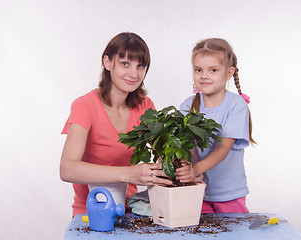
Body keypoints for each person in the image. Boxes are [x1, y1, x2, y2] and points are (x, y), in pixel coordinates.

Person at [60, 32, 176, 217]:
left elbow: (166, 152)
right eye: (125, 64)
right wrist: (129, 173)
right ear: (107, 62)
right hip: (91, 212)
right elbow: (67, 169)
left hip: (130, 210)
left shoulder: (145, 106)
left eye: (140, 66)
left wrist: (180, 166)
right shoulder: (84, 106)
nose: (134, 73)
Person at [177, 38, 256, 214]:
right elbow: (185, 146)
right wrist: (185, 169)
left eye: (213, 70)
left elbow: (223, 149)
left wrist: (194, 170)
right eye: (198, 70)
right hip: (198, 190)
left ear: (229, 73)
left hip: (229, 193)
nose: (204, 75)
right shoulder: (187, 106)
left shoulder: (236, 105)